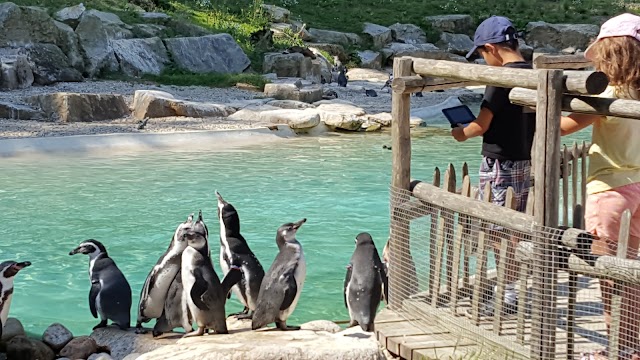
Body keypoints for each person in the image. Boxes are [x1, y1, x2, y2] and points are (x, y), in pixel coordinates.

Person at [560, 13, 640, 360]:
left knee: (610, 275)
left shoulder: (607, 92)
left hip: (610, 190)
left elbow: (562, 126)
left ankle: (616, 349)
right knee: (634, 271)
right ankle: (633, 345)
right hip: (639, 185)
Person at [453, 15, 536, 315]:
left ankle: (508, 294)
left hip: (499, 162)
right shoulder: (533, 72)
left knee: (498, 232)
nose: (484, 61)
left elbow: (481, 124)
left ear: (492, 48)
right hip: (523, 159)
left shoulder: (501, 78)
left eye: (482, 55)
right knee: (513, 228)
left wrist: (460, 133)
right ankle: (512, 288)